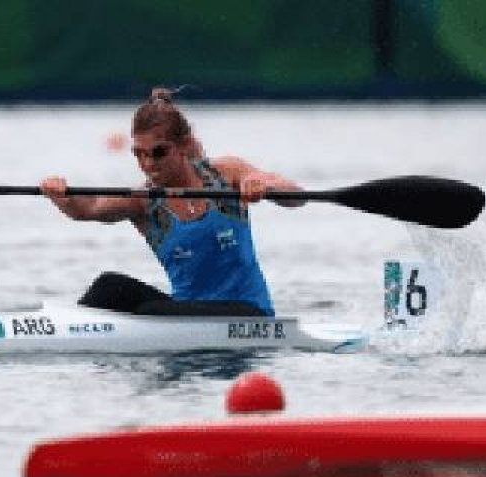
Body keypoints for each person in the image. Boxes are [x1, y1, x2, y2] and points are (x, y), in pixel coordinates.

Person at [40, 87, 304, 317]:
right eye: (139, 154)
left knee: (152, 313)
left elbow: (294, 196)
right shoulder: (144, 201)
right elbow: (88, 209)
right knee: (109, 286)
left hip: (248, 313)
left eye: (158, 152)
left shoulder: (225, 173)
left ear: (184, 145)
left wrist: (263, 185)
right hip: (184, 317)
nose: (149, 163)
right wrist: (62, 195)